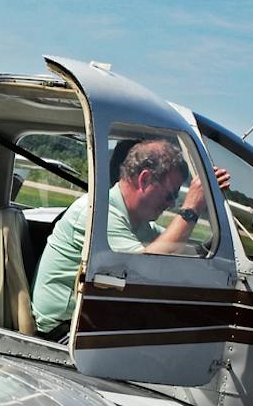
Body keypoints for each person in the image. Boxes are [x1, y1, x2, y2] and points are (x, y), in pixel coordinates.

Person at [30, 138, 229, 342]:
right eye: (170, 195)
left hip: (87, 322)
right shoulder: (99, 212)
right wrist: (191, 208)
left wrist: (209, 218)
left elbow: (176, 246)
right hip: (62, 331)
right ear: (144, 180)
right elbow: (149, 264)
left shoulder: (136, 221)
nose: (170, 204)